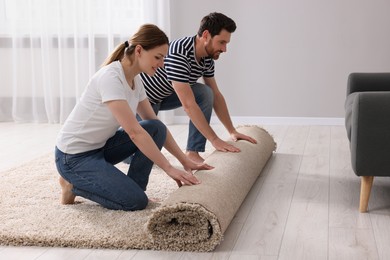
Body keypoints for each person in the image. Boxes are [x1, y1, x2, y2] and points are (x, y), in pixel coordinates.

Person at [55, 24, 213, 211]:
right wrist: (169, 168)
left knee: (156, 128)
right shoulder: (110, 77)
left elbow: (152, 124)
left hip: (101, 148)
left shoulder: (135, 80)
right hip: (73, 157)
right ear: (139, 50)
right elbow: (134, 132)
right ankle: (72, 184)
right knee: (135, 202)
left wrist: (184, 160)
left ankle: (135, 187)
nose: (162, 64)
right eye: (158, 57)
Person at [140, 12, 257, 163]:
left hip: (165, 95)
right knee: (141, 156)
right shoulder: (179, 52)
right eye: (222, 42)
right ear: (206, 35)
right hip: (143, 102)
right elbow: (188, 105)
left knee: (206, 92)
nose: (225, 49)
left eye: (226, 43)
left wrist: (232, 131)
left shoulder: (207, 58)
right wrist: (215, 139)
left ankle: (193, 151)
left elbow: (216, 94)